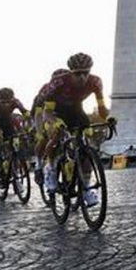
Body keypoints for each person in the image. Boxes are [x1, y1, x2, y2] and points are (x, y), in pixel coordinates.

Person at [41, 53, 109, 207]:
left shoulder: (96, 82)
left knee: (87, 146)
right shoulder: (58, 82)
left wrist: (108, 118)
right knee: (55, 134)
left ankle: (85, 187)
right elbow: (46, 112)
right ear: (70, 72)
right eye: (78, 73)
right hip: (56, 112)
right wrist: (55, 122)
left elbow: (101, 107)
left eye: (86, 72)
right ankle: (50, 169)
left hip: (77, 111)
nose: (82, 77)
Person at [31, 68, 69, 183]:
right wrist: (39, 133)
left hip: (63, 113)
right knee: (45, 137)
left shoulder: (72, 89)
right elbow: (38, 114)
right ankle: (40, 164)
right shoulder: (46, 90)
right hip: (42, 114)